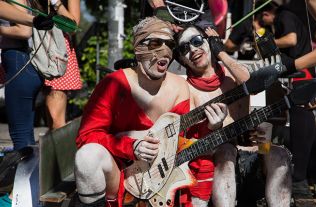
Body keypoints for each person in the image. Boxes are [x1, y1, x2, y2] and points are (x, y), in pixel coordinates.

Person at [74, 16, 227, 207]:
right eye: (155, 43)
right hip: (122, 176)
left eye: (169, 44)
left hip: (164, 183)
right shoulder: (113, 84)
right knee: (87, 157)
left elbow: (190, 140)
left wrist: (212, 126)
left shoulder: (180, 86)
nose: (164, 51)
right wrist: (130, 146)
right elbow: (86, 136)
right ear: (138, 48)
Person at [175, 25, 291, 207]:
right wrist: (214, 129)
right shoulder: (186, 89)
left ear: (209, 43)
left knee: (279, 153)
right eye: (184, 48)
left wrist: (221, 53)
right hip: (217, 162)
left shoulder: (234, 72)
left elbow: (252, 84)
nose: (193, 49)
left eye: (197, 41)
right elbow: (190, 141)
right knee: (226, 151)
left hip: (255, 150)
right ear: (182, 59)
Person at [258, 0, 316, 184]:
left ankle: (298, 172)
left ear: (267, 13)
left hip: (300, 74)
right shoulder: (286, 16)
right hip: (298, 73)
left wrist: (266, 42)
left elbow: (291, 39)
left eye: (261, 18)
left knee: (300, 117)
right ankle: (295, 168)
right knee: (294, 117)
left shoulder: (284, 16)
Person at [0, 0, 44, 206]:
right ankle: (29, 194)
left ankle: (20, 198)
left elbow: (24, 31)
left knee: (21, 141)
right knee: (25, 139)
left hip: (19, 63)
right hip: (20, 65)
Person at [34, 0, 82, 130]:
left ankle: (61, 149)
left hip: (57, 51)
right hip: (34, 46)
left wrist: (56, 2)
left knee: (56, 121)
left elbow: (74, 27)